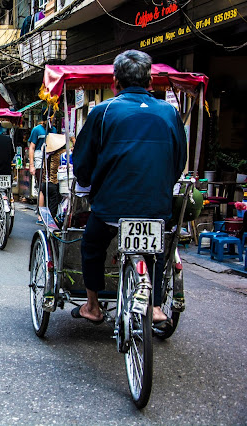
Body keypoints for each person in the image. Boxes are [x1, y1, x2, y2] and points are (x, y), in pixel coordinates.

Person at [72, 49, 187, 328]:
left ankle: (92, 306)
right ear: (150, 82)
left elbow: (82, 164)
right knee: (157, 248)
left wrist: (85, 183)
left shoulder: (103, 111)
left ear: (115, 83)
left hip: (111, 207)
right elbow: (179, 161)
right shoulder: (170, 112)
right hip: (157, 205)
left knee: (92, 245)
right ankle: (157, 307)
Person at [28, 111, 53, 218]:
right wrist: (31, 165)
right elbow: (32, 147)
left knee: (51, 187)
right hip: (39, 160)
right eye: (52, 117)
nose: (54, 119)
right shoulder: (36, 130)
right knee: (42, 186)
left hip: (51, 161)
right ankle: (40, 214)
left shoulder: (54, 130)